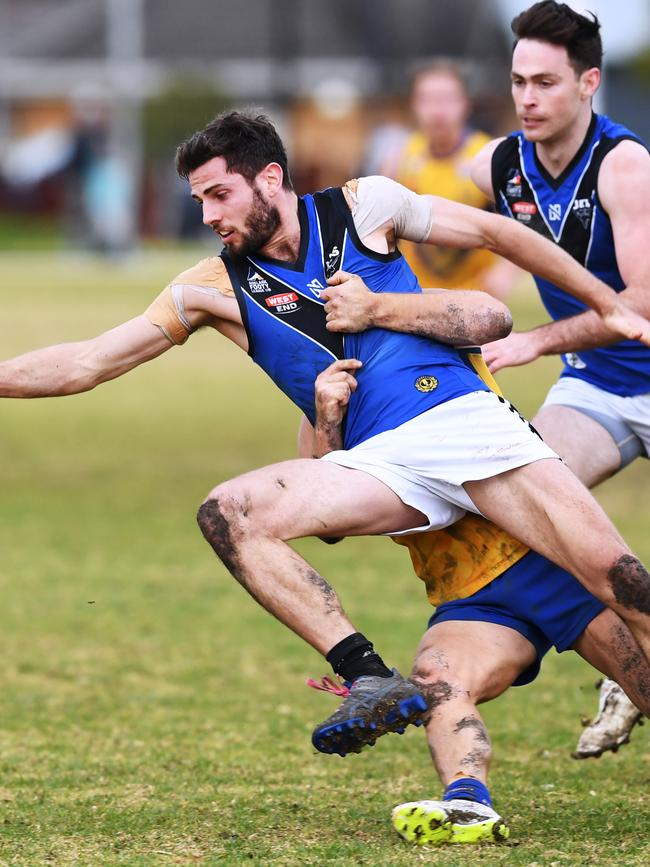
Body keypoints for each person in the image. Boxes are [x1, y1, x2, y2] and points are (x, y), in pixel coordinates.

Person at [1, 110, 650, 761]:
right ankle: (366, 673)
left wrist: (609, 303)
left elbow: (495, 232)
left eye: (219, 193)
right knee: (228, 512)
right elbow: (86, 361)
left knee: (623, 586)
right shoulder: (209, 287)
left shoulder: (365, 206)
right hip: (380, 469)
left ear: (270, 178)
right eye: (199, 200)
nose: (208, 215)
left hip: (471, 429)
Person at [301, 360, 650, 846]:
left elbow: (482, 314)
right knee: (437, 680)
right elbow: (328, 521)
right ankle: (467, 803)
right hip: (471, 596)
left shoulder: (433, 350)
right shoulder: (329, 386)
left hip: (555, 567)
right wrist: (326, 420)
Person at [467, 1, 650, 758]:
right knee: (524, 510)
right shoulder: (497, 165)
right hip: (596, 388)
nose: (528, 98)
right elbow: (437, 232)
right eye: (518, 81)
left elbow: (640, 302)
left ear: (589, 84)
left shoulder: (625, 164)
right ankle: (631, 666)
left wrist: (535, 339)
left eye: (546, 82)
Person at [388, 61, 518, 298]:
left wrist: (505, 271)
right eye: (427, 100)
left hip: (477, 298)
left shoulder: (488, 159)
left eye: (447, 99)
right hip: (416, 296)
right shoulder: (399, 159)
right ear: (413, 105)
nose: (438, 111)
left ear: (465, 104)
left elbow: (521, 222)